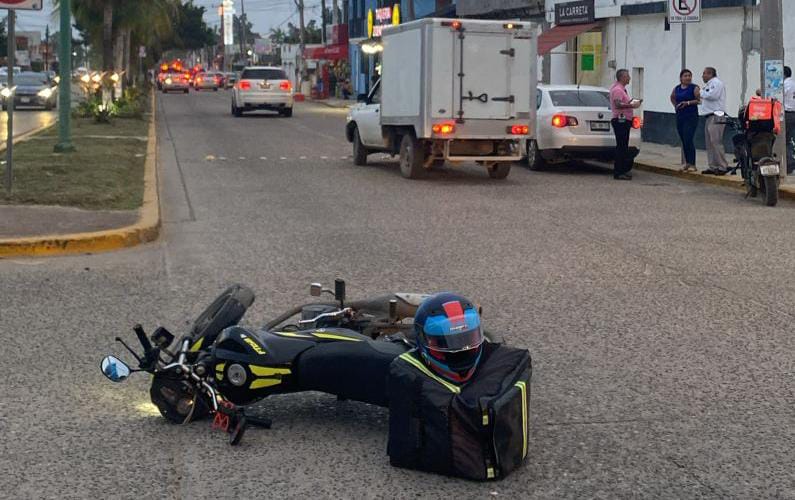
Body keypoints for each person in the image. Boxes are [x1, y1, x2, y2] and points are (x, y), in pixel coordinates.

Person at [413, 292, 485, 384]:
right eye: (442, 342)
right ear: (422, 338)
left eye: (467, 338)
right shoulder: (407, 375)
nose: (460, 355)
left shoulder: (495, 359)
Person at [610, 69, 642, 180]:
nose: (629, 78)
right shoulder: (618, 90)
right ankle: (619, 172)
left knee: (623, 146)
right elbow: (618, 104)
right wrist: (632, 106)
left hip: (624, 120)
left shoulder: (622, 89)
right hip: (620, 120)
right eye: (627, 76)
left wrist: (632, 102)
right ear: (622, 77)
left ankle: (622, 170)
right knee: (621, 146)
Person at [670, 69, 701, 172]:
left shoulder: (694, 88)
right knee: (683, 139)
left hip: (691, 116)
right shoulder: (677, 88)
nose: (688, 78)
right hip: (680, 116)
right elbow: (672, 97)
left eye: (689, 76)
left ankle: (693, 164)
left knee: (688, 139)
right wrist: (676, 106)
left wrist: (687, 103)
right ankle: (687, 163)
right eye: (685, 76)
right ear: (681, 78)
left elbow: (699, 100)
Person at [700, 67, 729, 175]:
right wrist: (703, 92)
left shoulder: (716, 83)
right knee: (709, 143)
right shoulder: (709, 84)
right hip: (708, 116)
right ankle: (713, 166)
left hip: (716, 115)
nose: (702, 76)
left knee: (716, 142)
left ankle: (722, 166)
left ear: (710, 74)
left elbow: (712, 95)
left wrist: (701, 92)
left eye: (704, 73)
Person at [784, 65, 794, 174]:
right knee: (790, 139)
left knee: (784, 140)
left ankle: (789, 164)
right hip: (794, 113)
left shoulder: (785, 84)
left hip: (787, 113)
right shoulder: (793, 83)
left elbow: (777, 96)